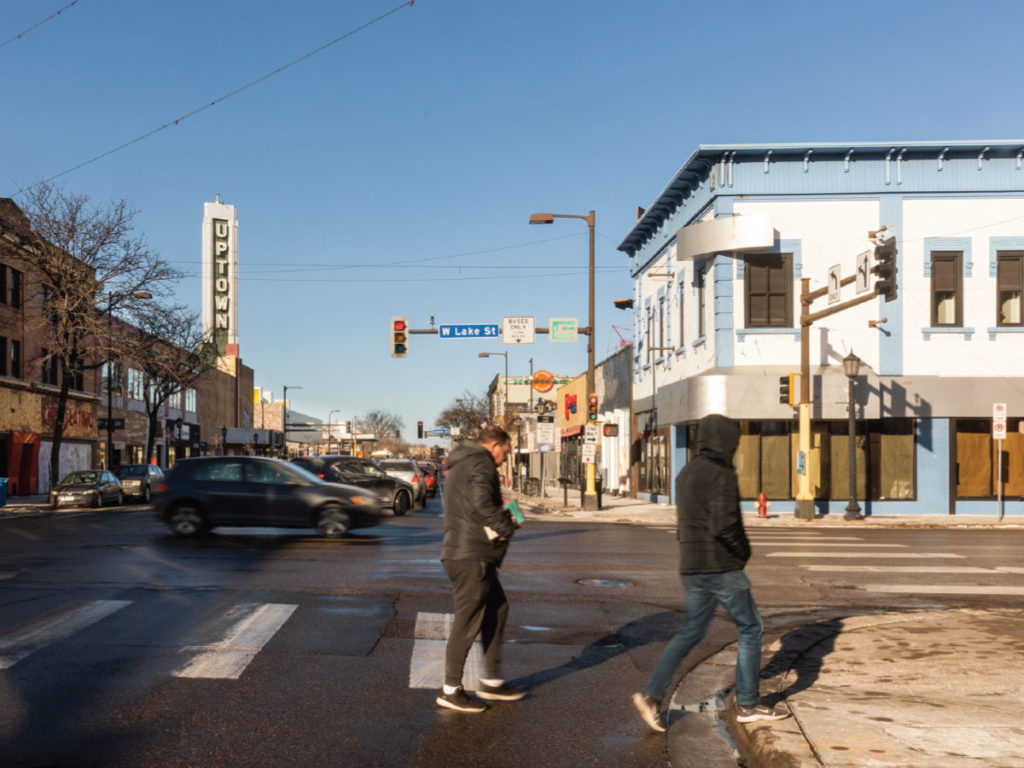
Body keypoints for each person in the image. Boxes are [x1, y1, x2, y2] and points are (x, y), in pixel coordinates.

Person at [632, 413, 789, 733]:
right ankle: (747, 702)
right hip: (721, 566)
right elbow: (725, 524)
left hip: (692, 565)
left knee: (690, 632)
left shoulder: (686, 473)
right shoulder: (722, 472)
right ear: (725, 441)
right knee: (751, 628)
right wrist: (742, 552)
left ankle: (651, 695)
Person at [437, 425, 525, 713]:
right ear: (495, 446)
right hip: (470, 554)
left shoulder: (464, 462)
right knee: (467, 620)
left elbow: (476, 504)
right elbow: (481, 505)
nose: (505, 458)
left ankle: (491, 680)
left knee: (497, 609)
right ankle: (451, 690)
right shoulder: (480, 463)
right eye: (505, 452)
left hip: (470, 551)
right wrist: (506, 526)